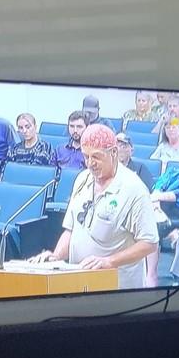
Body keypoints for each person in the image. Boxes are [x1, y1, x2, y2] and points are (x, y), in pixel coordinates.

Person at [31, 123, 157, 289]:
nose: (90, 163)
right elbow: (71, 229)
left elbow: (149, 243)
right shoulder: (82, 179)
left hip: (118, 289)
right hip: (80, 282)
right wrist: (56, 257)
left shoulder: (134, 189)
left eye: (96, 157)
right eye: (86, 156)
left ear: (114, 152)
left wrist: (109, 261)